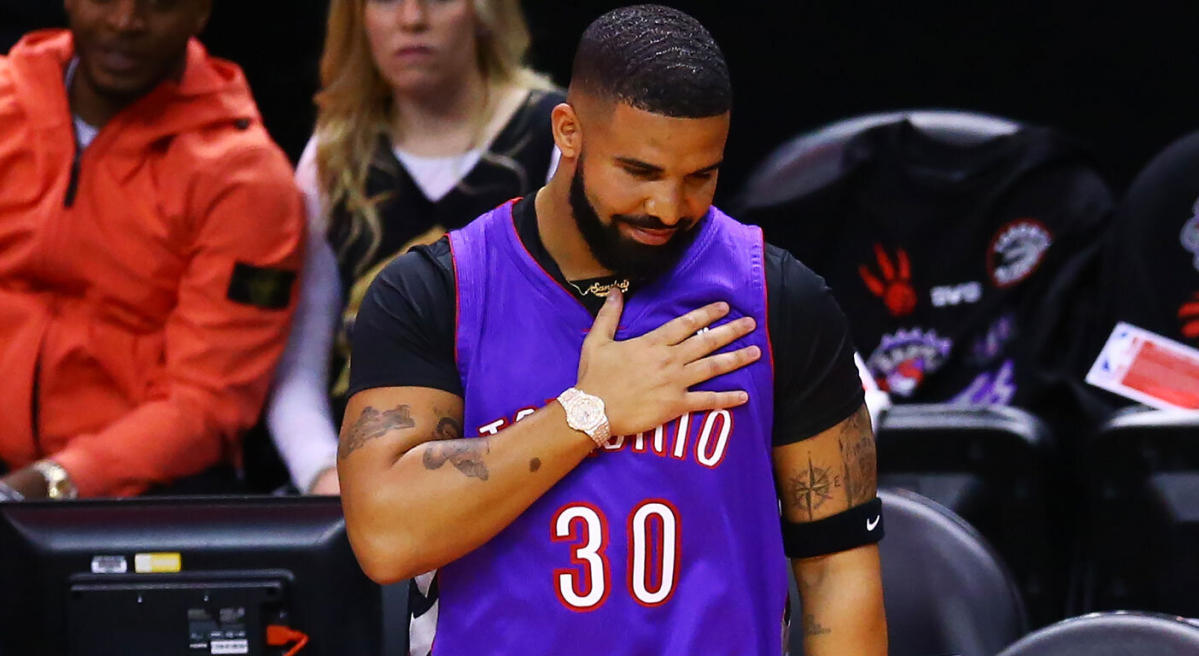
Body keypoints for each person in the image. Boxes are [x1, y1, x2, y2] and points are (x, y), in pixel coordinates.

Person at [339, 5, 887, 655]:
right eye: (640, 172)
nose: (667, 207)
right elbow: (385, 536)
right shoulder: (435, 292)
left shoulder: (780, 299)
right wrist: (589, 412)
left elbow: (836, 569)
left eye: (699, 177)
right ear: (567, 132)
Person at [0, 0, 304, 500]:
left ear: (201, 13)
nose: (125, 22)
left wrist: (50, 484)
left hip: (144, 490)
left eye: (159, 5)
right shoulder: (11, 102)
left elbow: (206, 403)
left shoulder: (246, 180)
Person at [266, 0, 562, 495]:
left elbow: (580, 347)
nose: (411, 19)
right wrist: (323, 476)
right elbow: (297, 368)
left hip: (518, 472)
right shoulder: (332, 156)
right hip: (368, 485)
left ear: (483, 10)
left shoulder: (555, 137)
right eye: (385, 1)